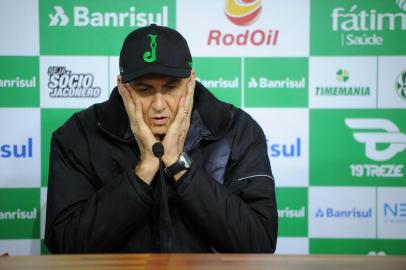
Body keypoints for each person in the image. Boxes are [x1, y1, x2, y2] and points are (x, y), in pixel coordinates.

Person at [45, 24, 278, 253]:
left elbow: (259, 242)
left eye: (170, 87)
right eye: (144, 89)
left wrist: (178, 164)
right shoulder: (79, 134)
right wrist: (144, 169)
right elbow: (64, 243)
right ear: (123, 87)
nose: (158, 105)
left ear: (190, 82)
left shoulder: (236, 129)